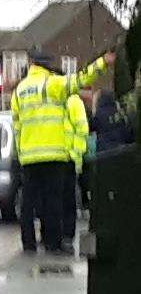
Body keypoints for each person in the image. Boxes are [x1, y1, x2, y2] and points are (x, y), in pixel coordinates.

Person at [12, 51, 114, 254]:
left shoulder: (20, 90)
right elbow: (80, 79)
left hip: (29, 155)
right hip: (53, 153)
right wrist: (102, 62)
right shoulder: (52, 84)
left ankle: (29, 243)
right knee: (53, 201)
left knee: (29, 202)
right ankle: (53, 243)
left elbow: (17, 125)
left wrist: (21, 152)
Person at [62, 91, 90, 243]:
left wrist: (76, 156)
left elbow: (82, 130)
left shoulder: (71, 101)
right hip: (62, 156)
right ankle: (64, 235)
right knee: (64, 199)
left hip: (67, 157)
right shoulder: (70, 101)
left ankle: (66, 234)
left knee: (66, 199)